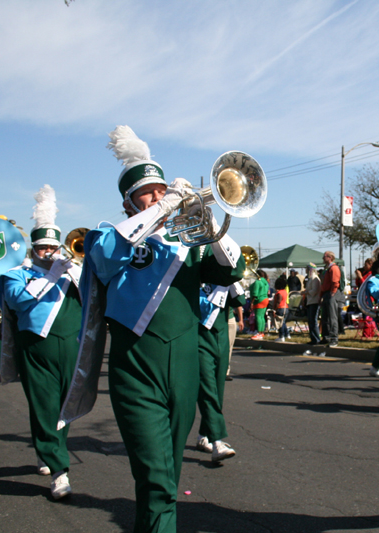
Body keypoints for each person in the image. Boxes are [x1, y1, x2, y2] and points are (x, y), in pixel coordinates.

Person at [75, 126, 245, 532]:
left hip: (183, 370)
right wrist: (162, 208)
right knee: (154, 479)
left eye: (160, 189)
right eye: (146, 192)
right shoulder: (106, 234)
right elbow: (103, 260)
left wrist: (210, 225)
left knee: (167, 478)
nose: (156, 195)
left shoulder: (185, 242)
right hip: (136, 370)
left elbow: (230, 272)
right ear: (128, 202)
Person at [0, 184, 82, 500]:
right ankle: (60, 470)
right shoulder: (14, 274)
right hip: (36, 349)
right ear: (33, 249)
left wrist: (75, 272)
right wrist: (49, 277)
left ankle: (49, 450)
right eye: (43, 247)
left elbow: (94, 299)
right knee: (45, 406)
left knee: (66, 408)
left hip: (71, 347)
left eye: (53, 246)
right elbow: (19, 301)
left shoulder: (71, 271)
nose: (49, 252)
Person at [195, 282, 245, 462]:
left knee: (217, 389)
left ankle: (204, 435)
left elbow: (240, 299)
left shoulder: (225, 278)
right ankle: (217, 441)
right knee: (207, 386)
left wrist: (232, 279)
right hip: (198, 333)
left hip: (221, 334)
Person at [319, 251, 341, 347]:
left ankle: (334, 338)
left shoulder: (334, 268)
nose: (323, 258)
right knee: (325, 317)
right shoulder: (327, 269)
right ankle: (326, 336)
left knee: (332, 317)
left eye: (325, 256)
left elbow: (335, 282)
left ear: (330, 257)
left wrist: (332, 292)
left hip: (331, 293)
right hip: (326, 294)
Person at [303, 263, 322, 345]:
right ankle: (313, 338)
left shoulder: (315, 278)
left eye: (307, 268)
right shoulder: (310, 278)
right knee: (310, 321)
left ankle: (317, 339)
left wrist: (306, 292)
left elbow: (314, 291)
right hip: (310, 301)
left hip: (314, 302)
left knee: (313, 321)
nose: (305, 270)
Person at [249, 270, 269, 340]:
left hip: (259, 300)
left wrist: (252, 303)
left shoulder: (258, 282)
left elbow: (255, 293)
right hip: (265, 299)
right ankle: (262, 332)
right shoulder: (265, 282)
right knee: (262, 317)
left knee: (258, 316)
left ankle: (259, 332)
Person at [273, 275, 289, 341]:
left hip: (280, 308)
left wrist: (274, 310)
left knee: (280, 323)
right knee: (283, 322)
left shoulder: (279, 293)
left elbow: (278, 302)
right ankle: (287, 334)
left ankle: (281, 336)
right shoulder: (285, 292)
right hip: (286, 308)